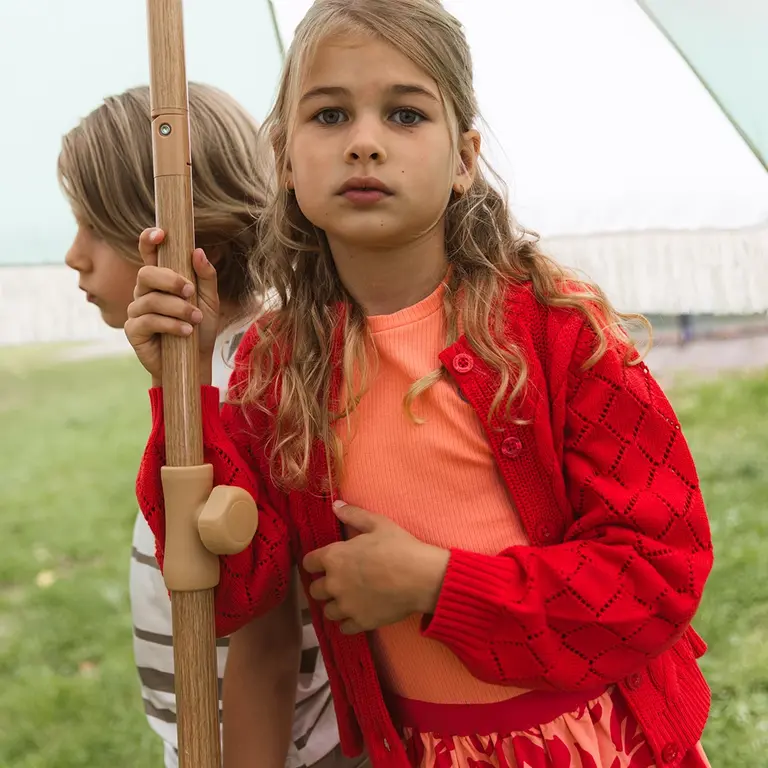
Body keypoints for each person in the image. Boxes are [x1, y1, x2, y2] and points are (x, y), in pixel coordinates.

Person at [125, 2, 714, 766]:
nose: (364, 143)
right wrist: (186, 381)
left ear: (464, 156)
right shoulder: (276, 371)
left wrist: (440, 584)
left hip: (601, 742)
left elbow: (659, 570)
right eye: (330, 115)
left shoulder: (556, 332)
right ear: (283, 159)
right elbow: (238, 585)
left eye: (405, 114)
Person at [59, 82, 341, 768]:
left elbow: (268, 645)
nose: (75, 254)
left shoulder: (255, 374)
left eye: (96, 224)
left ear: (186, 235)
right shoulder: (215, 363)